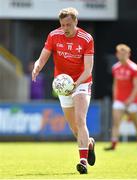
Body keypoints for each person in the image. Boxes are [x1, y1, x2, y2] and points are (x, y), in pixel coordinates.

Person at [32, 7, 95, 174]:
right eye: (62, 25)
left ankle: (83, 161)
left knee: (81, 121)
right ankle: (88, 144)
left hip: (81, 82)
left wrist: (76, 84)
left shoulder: (86, 38)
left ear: (75, 22)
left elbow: (88, 70)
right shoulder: (54, 35)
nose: (65, 28)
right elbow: (44, 55)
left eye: (68, 24)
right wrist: (37, 67)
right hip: (62, 85)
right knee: (74, 128)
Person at [105, 44, 137, 151]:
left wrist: (130, 100)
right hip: (119, 100)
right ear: (117, 54)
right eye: (120, 53)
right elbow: (115, 84)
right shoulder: (115, 68)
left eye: (124, 53)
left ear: (129, 54)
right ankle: (113, 144)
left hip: (133, 101)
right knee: (116, 122)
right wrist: (115, 98)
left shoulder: (134, 68)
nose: (122, 55)